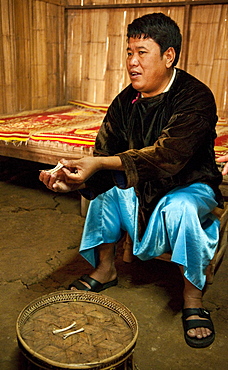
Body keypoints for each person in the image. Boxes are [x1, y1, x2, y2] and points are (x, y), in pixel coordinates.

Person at [39, 13, 223, 349]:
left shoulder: (195, 97)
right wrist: (71, 184)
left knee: (181, 206)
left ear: (169, 56)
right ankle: (106, 269)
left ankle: (192, 297)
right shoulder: (126, 101)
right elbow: (105, 154)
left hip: (190, 185)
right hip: (144, 186)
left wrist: (98, 163)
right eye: (128, 52)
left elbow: (168, 158)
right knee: (107, 190)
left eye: (142, 52)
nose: (132, 62)